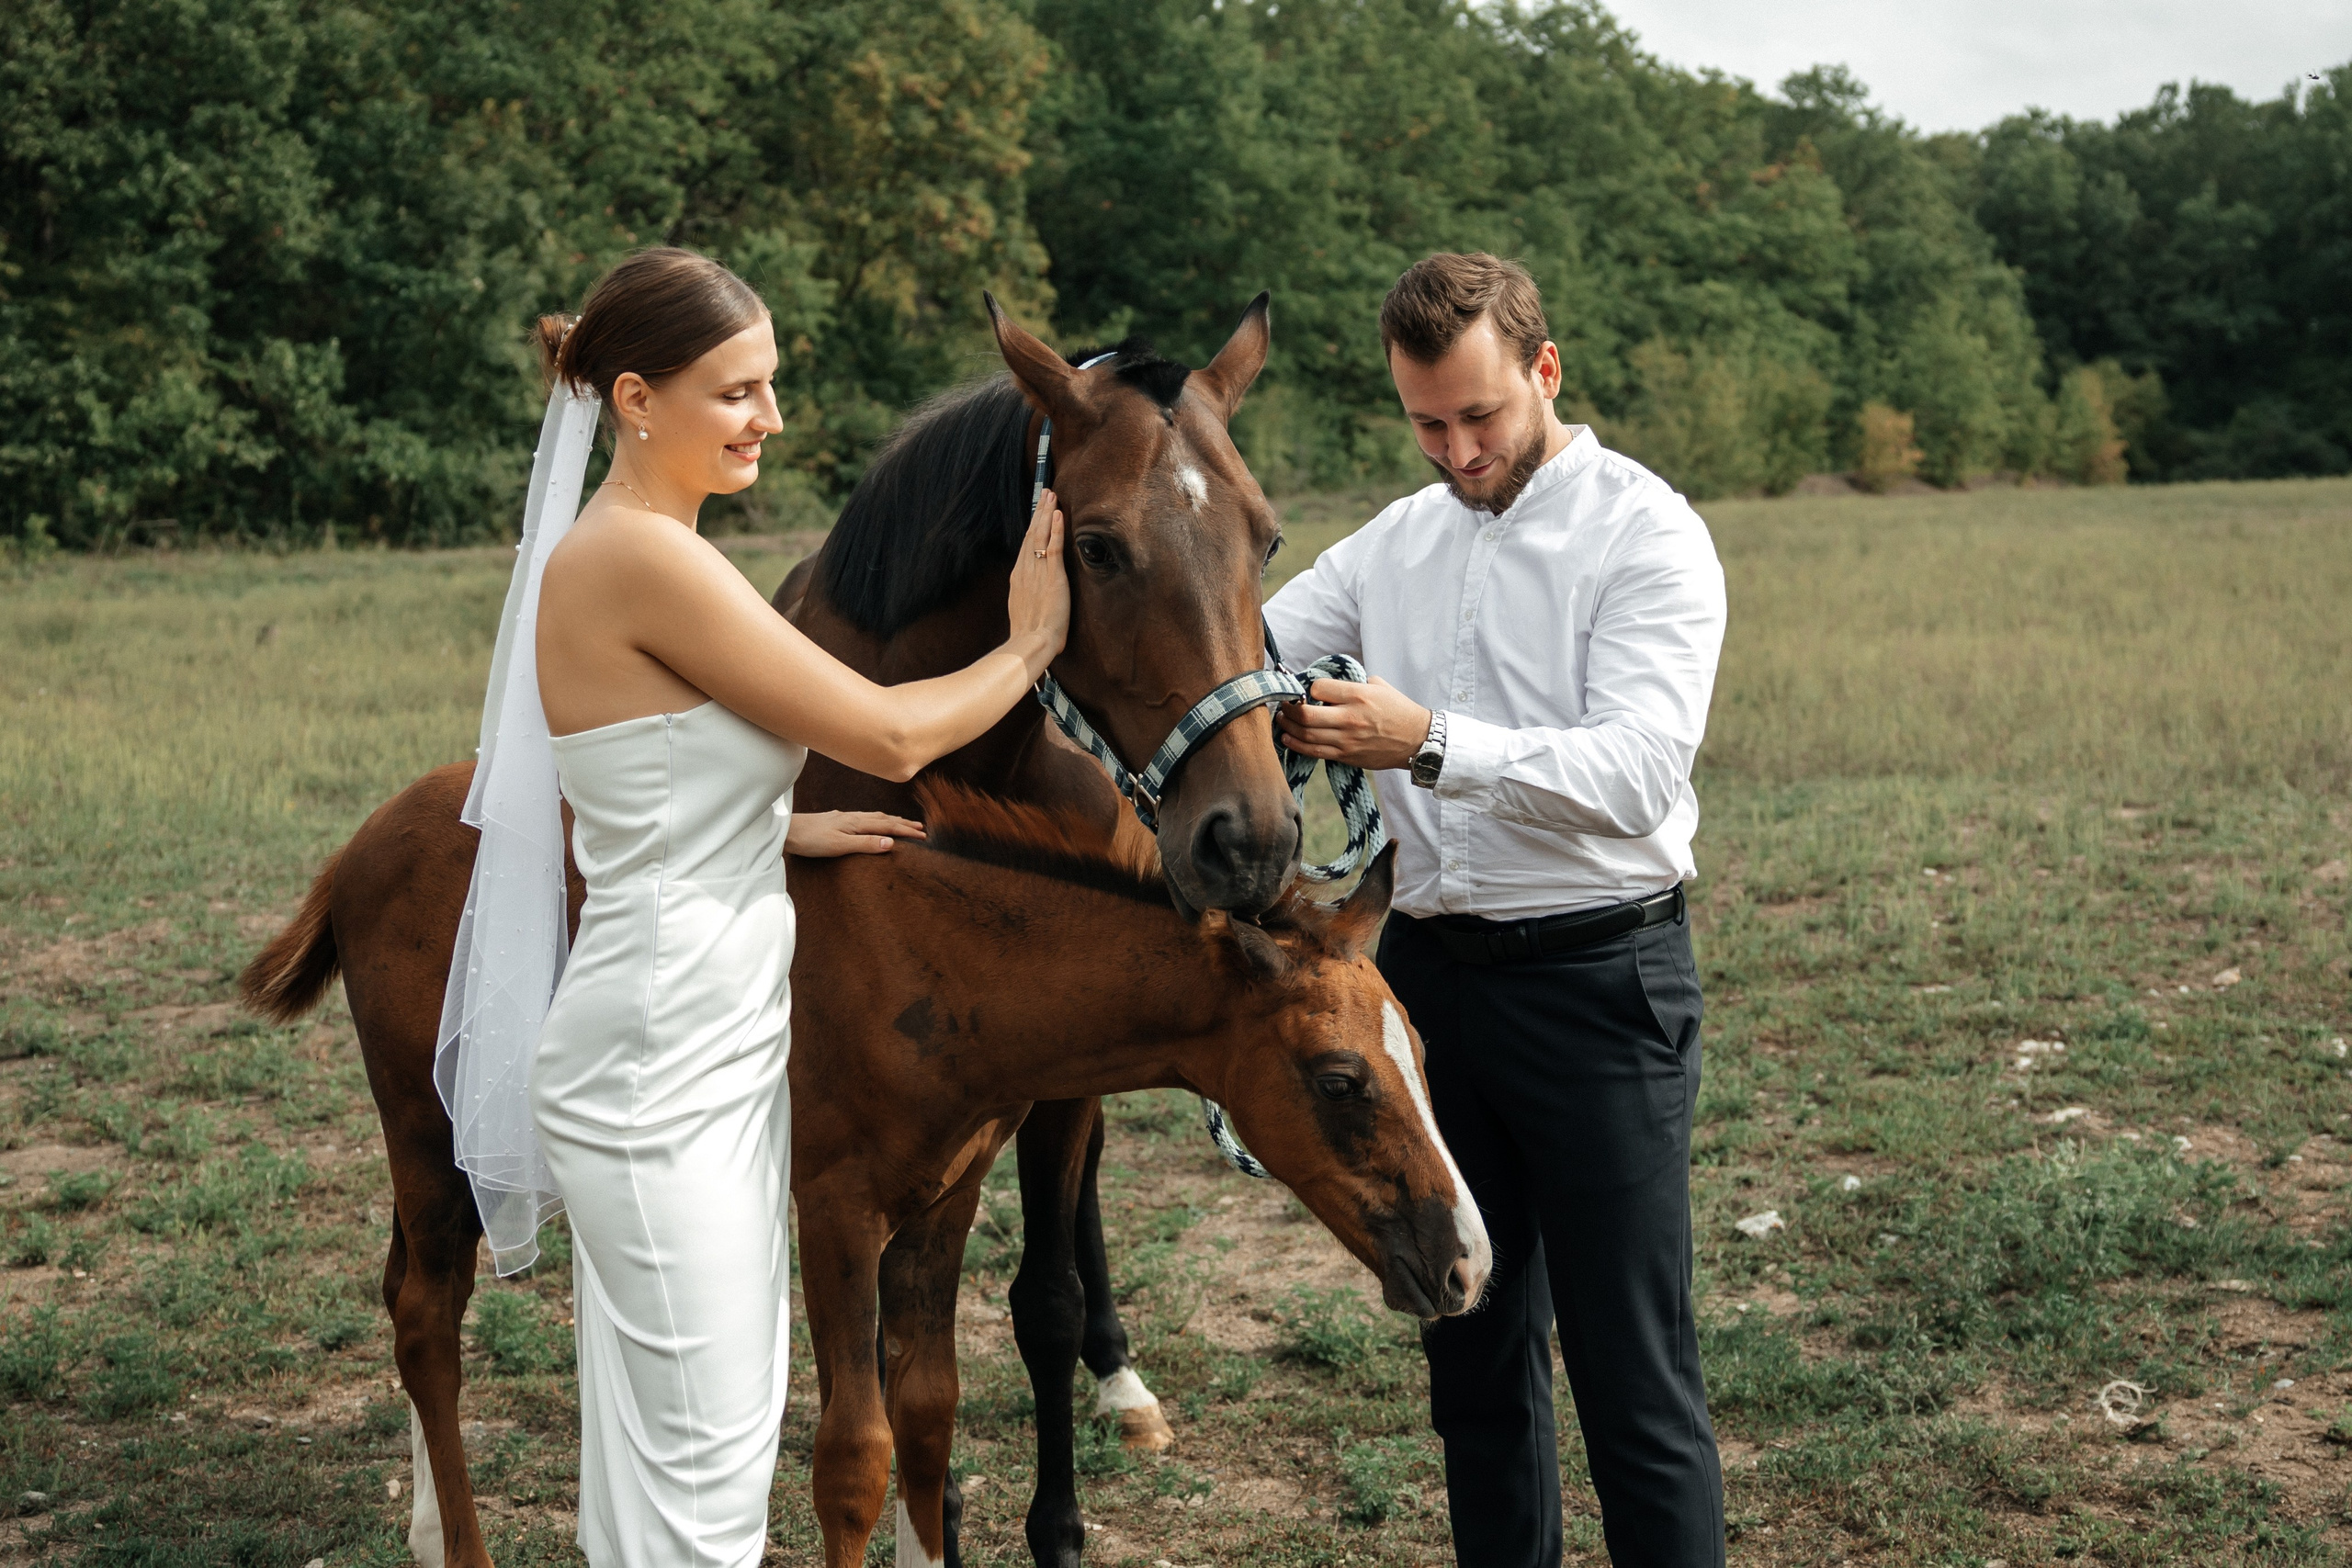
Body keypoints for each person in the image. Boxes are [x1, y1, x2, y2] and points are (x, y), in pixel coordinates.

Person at [492, 247, 1068, 1568]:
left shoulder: (660, 555)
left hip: (707, 1045)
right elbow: (883, 726)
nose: (773, 418)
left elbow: (622, 784)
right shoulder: (642, 558)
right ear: (636, 399)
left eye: (773, 385)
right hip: (658, 1067)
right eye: (739, 391)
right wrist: (1027, 645)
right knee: (701, 1475)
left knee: (695, 1453)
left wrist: (770, 822)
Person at [1265, 252, 1729, 1567]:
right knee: (1471, 1362)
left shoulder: (1648, 532)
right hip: (1434, 991)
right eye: (1427, 423)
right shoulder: (1391, 544)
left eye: (1482, 417)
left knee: (1635, 1383)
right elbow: (1243, 649)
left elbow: (1640, 774)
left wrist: (1426, 742)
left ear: (1545, 370)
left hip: (1602, 989)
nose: (1459, 452)